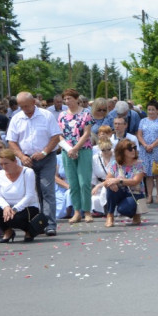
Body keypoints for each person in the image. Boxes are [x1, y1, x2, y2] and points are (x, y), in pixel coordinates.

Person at [6, 91, 62, 236]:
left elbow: (56, 136)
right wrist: (21, 156)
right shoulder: (16, 118)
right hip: (26, 159)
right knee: (30, 193)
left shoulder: (46, 115)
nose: (25, 109)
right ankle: (33, 225)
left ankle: (50, 224)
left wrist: (44, 152)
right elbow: (11, 141)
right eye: (21, 106)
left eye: (27, 105)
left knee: (47, 190)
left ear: (33, 103)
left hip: (46, 158)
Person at [0, 149, 42, 243]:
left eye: (6, 163)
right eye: (1, 164)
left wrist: (15, 209)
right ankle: (7, 231)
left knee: (14, 219)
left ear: (15, 162)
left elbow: (30, 195)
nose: (4, 167)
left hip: (28, 206)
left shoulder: (27, 172)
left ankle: (29, 230)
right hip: (8, 206)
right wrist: (6, 206)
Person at [56, 89, 93, 224]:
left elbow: (87, 133)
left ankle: (87, 211)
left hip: (83, 149)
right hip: (67, 151)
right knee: (73, 182)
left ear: (77, 99)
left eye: (70, 98)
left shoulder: (86, 113)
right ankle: (77, 211)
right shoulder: (62, 115)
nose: (67, 101)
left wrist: (76, 148)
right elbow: (59, 134)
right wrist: (68, 148)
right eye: (65, 99)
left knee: (84, 182)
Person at [102, 139, 146, 227]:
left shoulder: (139, 164)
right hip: (121, 192)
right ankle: (110, 215)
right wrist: (111, 183)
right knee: (110, 186)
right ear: (122, 151)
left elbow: (135, 181)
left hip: (135, 194)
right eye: (130, 148)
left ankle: (136, 214)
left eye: (134, 148)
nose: (133, 150)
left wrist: (118, 180)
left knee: (123, 209)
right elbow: (106, 181)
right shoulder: (115, 164)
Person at [137, 100, 158, 204]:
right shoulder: (143, 121)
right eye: (149, 109)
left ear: (157, 110)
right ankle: (149, 196)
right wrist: (145, 145)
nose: (151, 112)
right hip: (146, 150)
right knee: (148, 174)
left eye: (153, 110)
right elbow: (139, 135)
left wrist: (153, 145)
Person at [90, 139, 114, 216]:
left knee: (105, 192)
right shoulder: (95, 159)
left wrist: (99, 185)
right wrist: (93, 188)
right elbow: (93, 176)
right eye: (104, 150)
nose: (107, 152)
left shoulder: (116, 157)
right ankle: (100, 211)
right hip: (99, 184)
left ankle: (109, 210)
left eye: (108, 149)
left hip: (113, 185)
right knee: (94, 199)